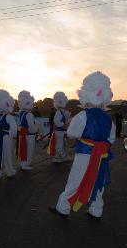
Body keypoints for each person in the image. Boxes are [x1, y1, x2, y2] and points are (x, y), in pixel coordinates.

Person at [48, 71, 115, 219]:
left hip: (84, 152)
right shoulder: (108, 118)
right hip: (101, 154)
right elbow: (111, 138)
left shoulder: (82, 115)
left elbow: (71, 133)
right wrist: (101, 145)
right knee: (98, 181)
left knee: (75, 180)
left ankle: (63, 207)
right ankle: (96, 210)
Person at [0, 89, 18, 180]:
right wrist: (13, 135)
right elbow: (14, 129)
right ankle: (9, 171)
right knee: (8, 154)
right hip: (7, 137)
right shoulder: (9, 117)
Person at [47, 91, 71, 162]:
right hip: (59, 131)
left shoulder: (64, 111)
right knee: (59, 144)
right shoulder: (58, 112)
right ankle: (56, 157)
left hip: (64, 131)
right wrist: (65, 124)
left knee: (65, 144)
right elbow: (57, 122)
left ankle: (65, 156)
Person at [17, 90, 37, 171]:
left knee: (23, 148)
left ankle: (23, 163)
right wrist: (36, 130)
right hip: (29, 134)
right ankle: (26, 164)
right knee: (29, 150)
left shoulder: (21, 113)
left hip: (23, 134)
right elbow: (31, 128)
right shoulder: (29, 114)